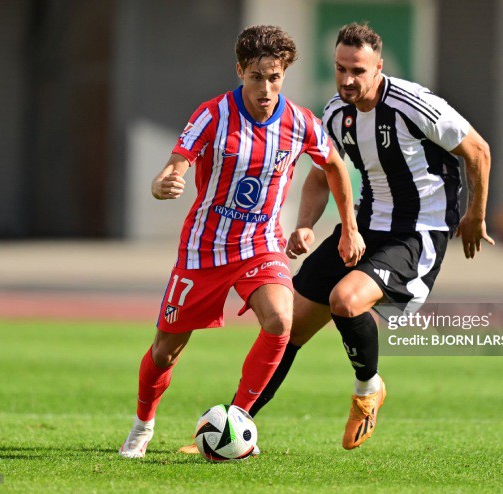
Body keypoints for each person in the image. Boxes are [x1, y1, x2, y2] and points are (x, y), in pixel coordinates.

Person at [119, 25, 365, 459]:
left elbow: (335, 167)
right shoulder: (213, 114)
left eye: (274, 77)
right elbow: (176, 165)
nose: (266, 88)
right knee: (165, 351)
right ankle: (142, 426)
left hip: (261, 246)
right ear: (240, 71)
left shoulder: (300, 121)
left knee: (280, 321)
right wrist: (164, 182)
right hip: (204, 251)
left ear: (284, 73)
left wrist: (346, 227)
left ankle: (239, 418)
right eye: (256, 77)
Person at [246, 22, 494, 450]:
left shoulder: (414, 104)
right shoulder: (335, 113)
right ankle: (237, 423)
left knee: (346, 300)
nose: (347, 79)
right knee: (283, 328)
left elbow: (478, 150)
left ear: (378, 67)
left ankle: (368, 390)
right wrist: (305, 223)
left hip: (417, 233)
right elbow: (323, 176)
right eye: (341, 68)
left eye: (358, 70)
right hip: (362, 228)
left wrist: (475, 215)